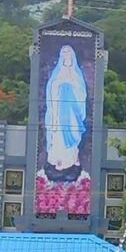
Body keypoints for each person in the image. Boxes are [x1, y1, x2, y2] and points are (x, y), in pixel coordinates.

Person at [45, 45, 88, 181]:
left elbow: (81, 93)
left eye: (69, 51)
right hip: (58, 112)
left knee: (72, 136)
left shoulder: (76, 73)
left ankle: (70, 159)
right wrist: (60, 83)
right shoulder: (57, 73)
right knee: (57, 137)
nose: (66, 53)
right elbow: (51, 89)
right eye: (63, 51)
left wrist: (70, 84)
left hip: (72, 112)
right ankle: (57, 159)